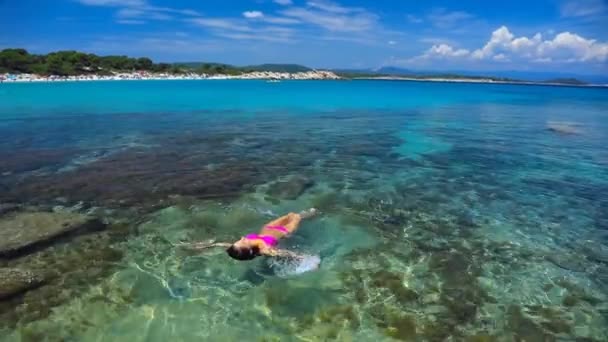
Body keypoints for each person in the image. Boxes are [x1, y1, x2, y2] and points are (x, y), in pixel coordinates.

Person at [182, 208, 318, 261]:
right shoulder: (265, 250)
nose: (242, 238)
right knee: (295, 216)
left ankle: (306, 214)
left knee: (289, 214)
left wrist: (202, 246)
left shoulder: (242, 247)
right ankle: (314, 213)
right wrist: (307, 260)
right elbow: (285, 254)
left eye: (240, 240)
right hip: (286, 231)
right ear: (247, 249)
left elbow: (221, 244)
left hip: (269, 227)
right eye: (242, 242)